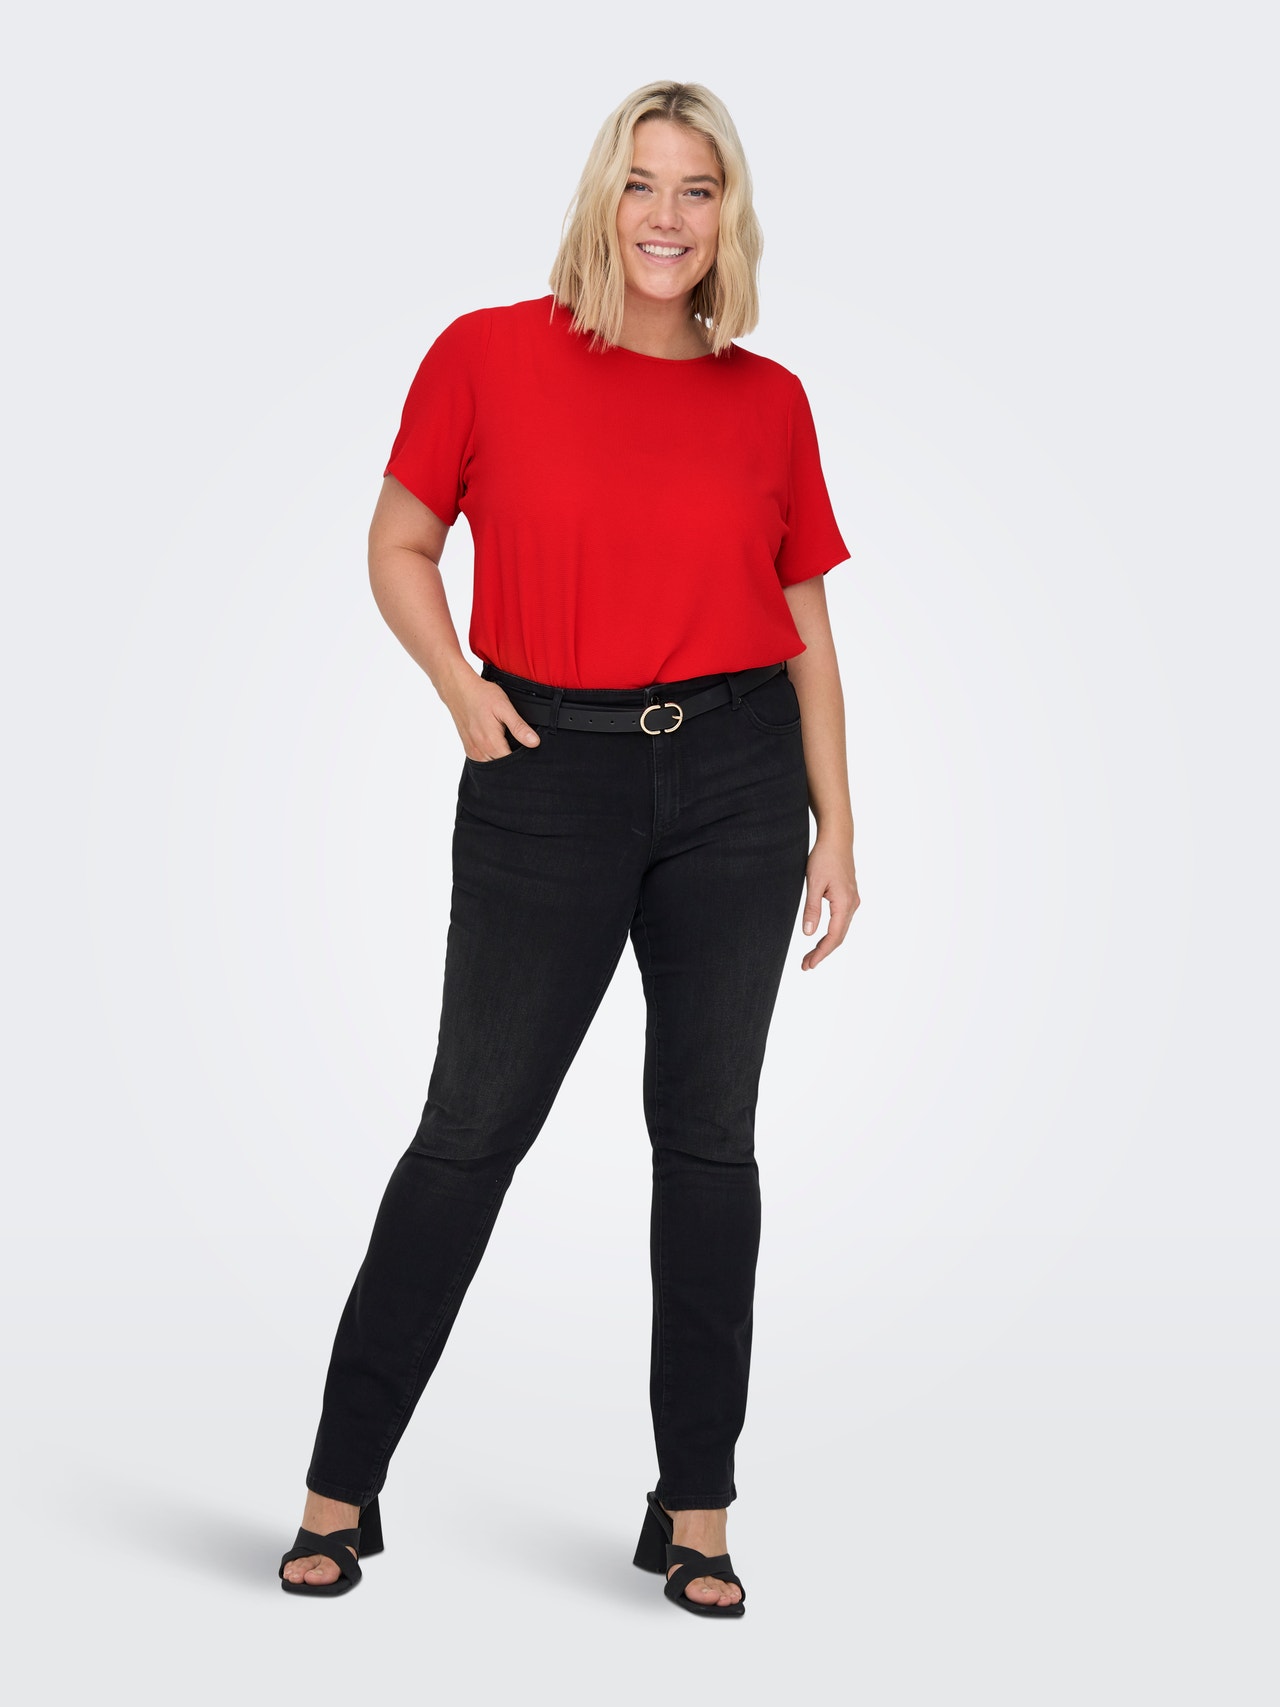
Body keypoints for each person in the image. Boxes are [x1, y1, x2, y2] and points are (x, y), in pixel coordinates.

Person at [278, 78, 860, 1617]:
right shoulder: (485, 355)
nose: (668, 217)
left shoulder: (770, 400)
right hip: (545, 774)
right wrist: (459, 689)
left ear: (729, 216)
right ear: (603, 199)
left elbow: (805, 623)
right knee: (470, 1132)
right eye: (643, 184)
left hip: (738, 785)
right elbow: (401, 542)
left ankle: (696, 1508)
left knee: (709, 1144)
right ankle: (341, 1486)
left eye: (699, 190)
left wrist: (840, 822)